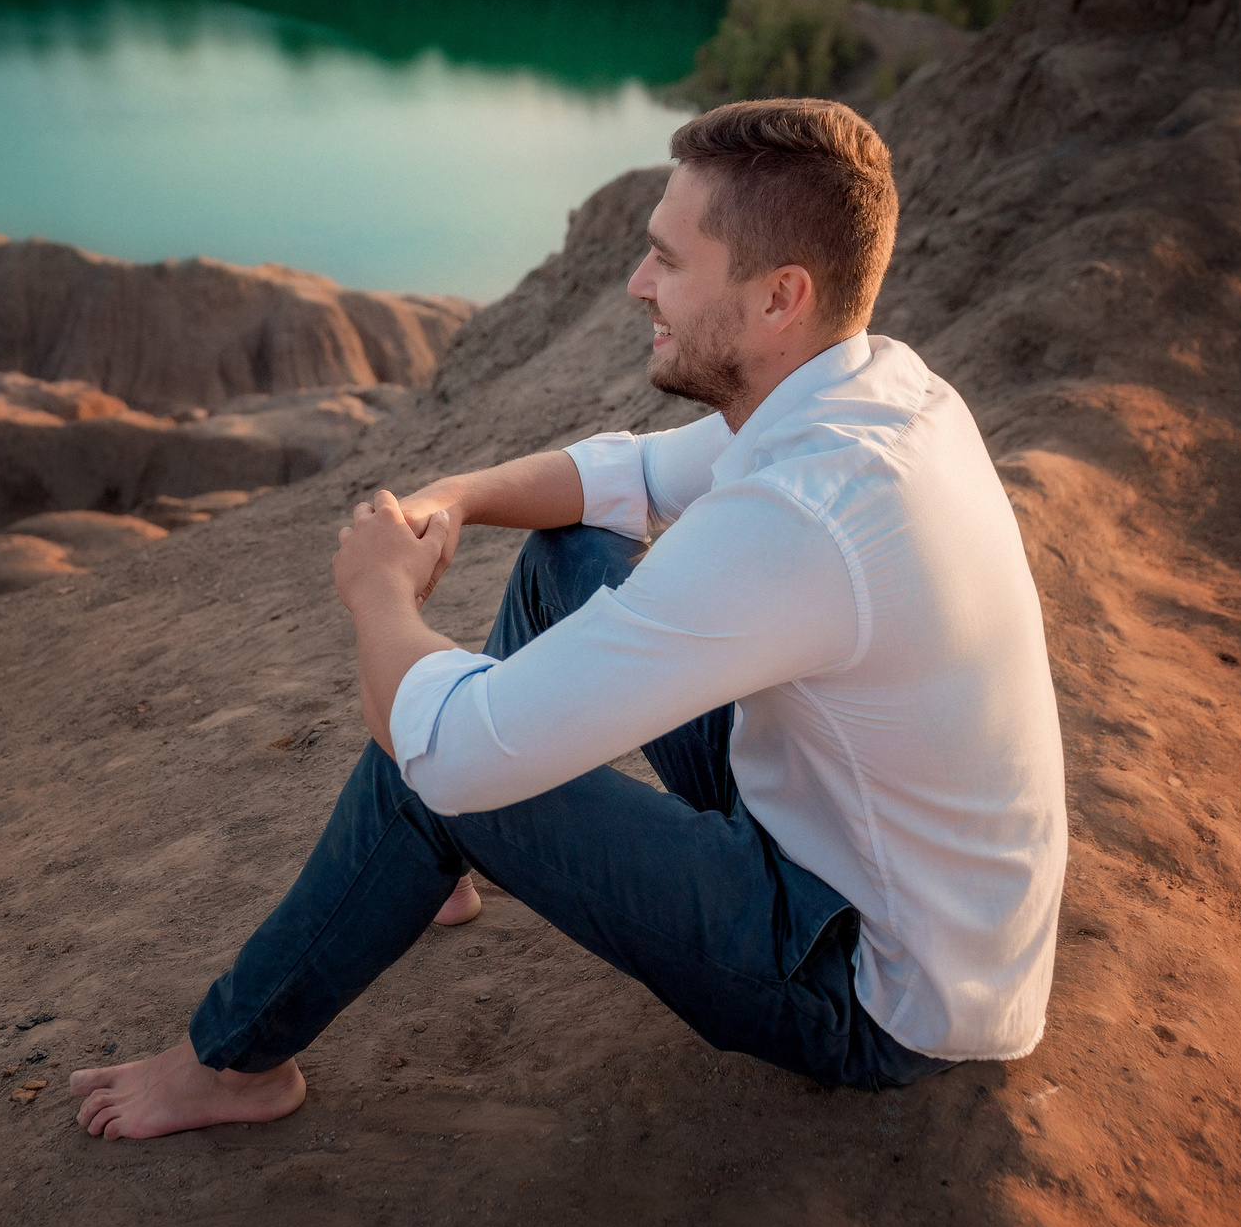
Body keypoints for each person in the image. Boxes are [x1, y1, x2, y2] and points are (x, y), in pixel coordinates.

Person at [71, 98, 1066, 1140]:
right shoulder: (871, 387)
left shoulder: (802, 518)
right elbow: (620, 479)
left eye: (668, 262)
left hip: (872, 985)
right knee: (564, 556)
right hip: (859, 847)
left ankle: (233, 1061)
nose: (638, 283)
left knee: (441, 768)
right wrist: (449, 496)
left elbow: (452, 751)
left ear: (781, 297)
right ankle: (427, 857)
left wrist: (377, 591)